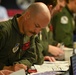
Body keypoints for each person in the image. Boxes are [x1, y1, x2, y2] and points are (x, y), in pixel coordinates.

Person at [0, 2, 51, 73]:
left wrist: (19, 65)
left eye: (41, 29)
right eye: (36, 26)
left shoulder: (30, 33)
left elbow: (30, 57)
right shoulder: (4, 31)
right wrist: (7, 68)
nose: (37, 31)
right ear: (27, 15)